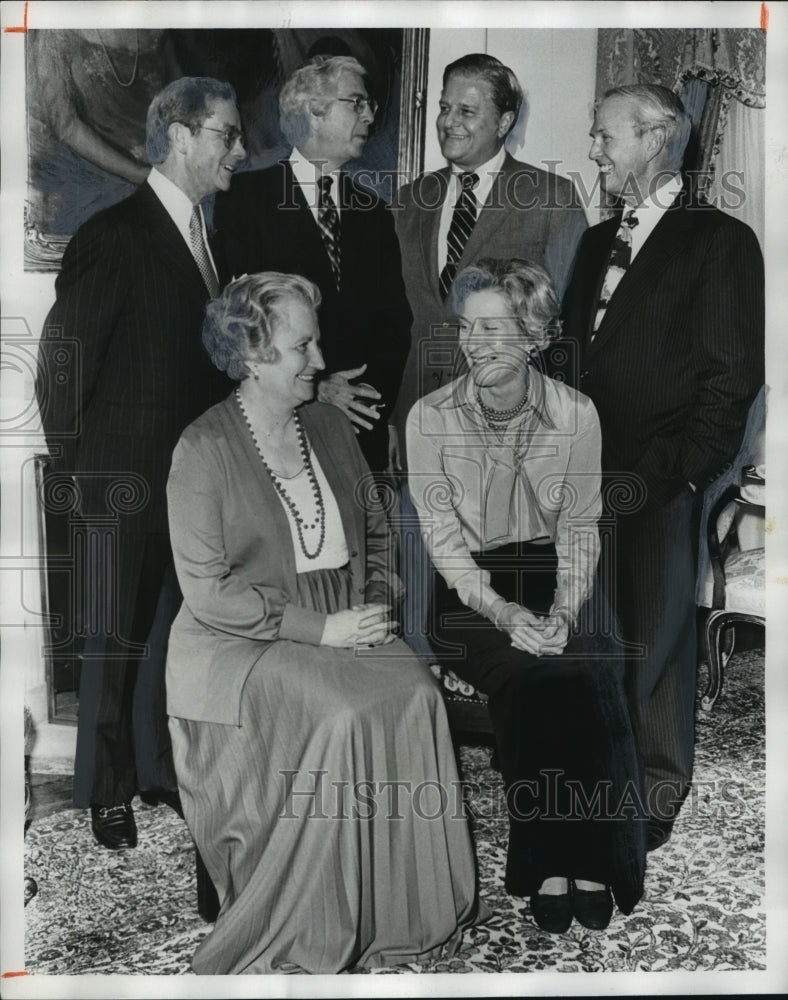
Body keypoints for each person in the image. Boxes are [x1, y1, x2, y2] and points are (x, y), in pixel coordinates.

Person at [165, 272, 483, 974]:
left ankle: (405, 909)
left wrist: (374, 598)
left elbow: (374, 526)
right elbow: (209, 591)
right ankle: (316, 922)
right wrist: (323, 631)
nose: (319, 359)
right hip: (240, 644)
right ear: (253, 356)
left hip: (342, 610)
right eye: (302, 347)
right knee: (342, 713)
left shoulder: (329, 423)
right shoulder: (202, 451)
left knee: (419, 694)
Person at [35, 77, 246, 850]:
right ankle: (105, 789)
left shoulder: (204, 235)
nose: (239, 149)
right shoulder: (114, 234)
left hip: (189, 483)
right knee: (110, 641)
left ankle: (158, 771)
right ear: (181, 136)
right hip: (117, 480)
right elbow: (61, 367)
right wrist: (81, 473)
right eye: (227, 133)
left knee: (169, 635)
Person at [407, 258, 646, 934]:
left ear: (534, 335)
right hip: (470, 591)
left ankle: (594, 859)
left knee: (589, 666)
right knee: (534, 677)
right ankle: (545, 861)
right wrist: (502, 610)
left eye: (493, 328)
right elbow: (443, 541)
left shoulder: (576, 414)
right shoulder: (429, 419)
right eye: (466, 328)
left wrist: (565, 609)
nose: (474, 344)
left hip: (561, 575)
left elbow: (579, 528)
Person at [561, 85, 764, 851]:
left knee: (655, 643)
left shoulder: (718, 241)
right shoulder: (592, 242)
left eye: (603, 135)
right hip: (582, 477)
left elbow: (729, 381)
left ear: (653, 138)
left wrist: (674, 476)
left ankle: (651, 792)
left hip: (662, 481)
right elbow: (574, 360)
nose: (594, 151)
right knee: (591, 633)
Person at [392, 52, 588, 660]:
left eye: (467, 110)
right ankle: (424, 674)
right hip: (419, 405)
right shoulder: (410, 199)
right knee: (422, 546)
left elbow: (556, 329)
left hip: (508, 417)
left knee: (502, 556)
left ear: (505, 122)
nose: (449, 121)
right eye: (445, 108)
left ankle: (506, 682)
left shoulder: (551, 196)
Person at [213, 54, 412, 475]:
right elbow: (244, 322)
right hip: (280, 430)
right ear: (314, 112)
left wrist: (363, 399)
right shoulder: (245, 200)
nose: (370, 115)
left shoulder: (373, 211)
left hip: (360, 432)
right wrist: (318, 387)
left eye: (370, 104)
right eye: (356, 103)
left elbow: (395, 323)